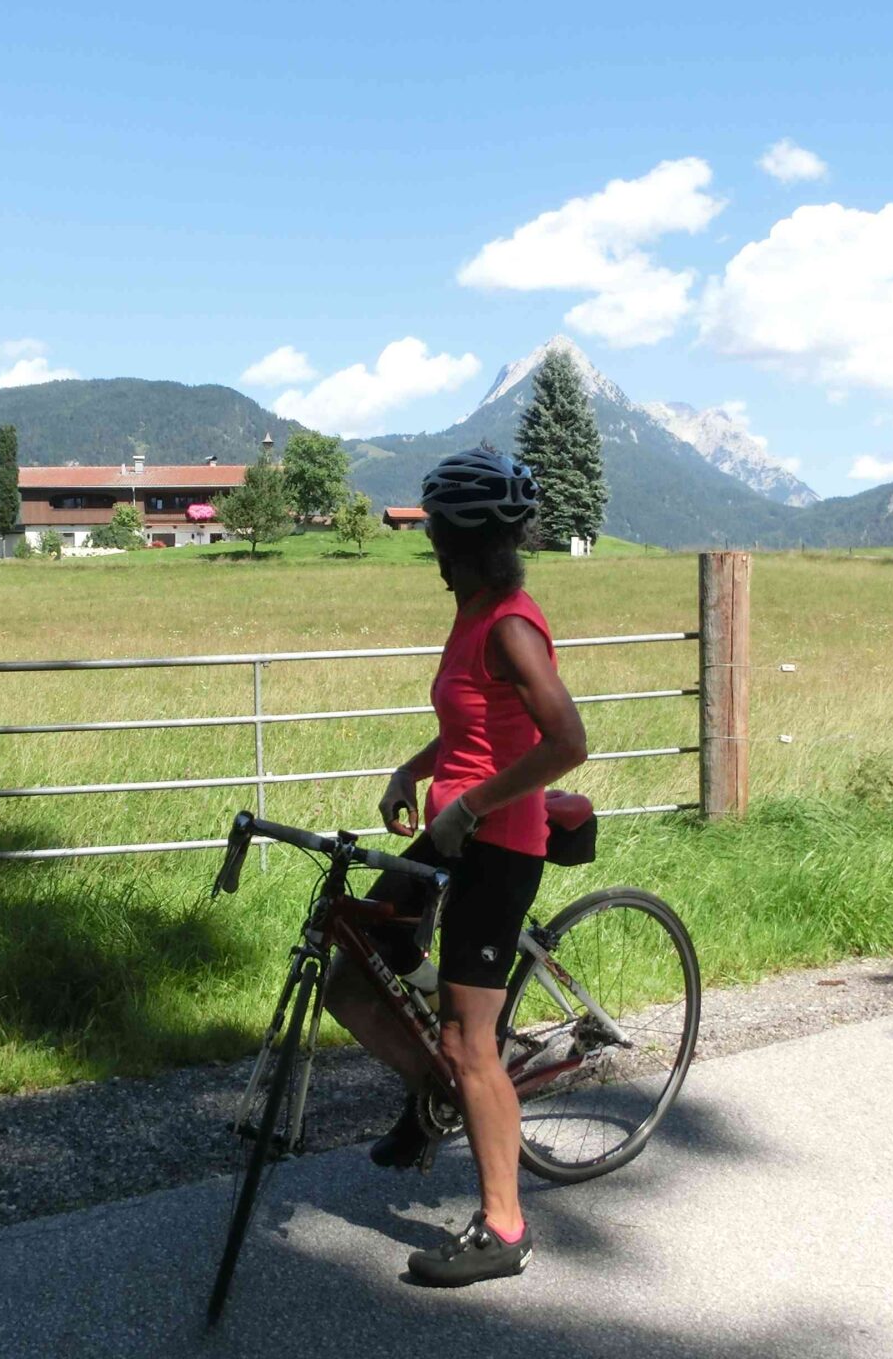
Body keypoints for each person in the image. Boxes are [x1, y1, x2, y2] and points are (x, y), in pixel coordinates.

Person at [323, 445, 589, 1288]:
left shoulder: (508, 623)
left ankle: (504, 1227)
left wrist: (471, 807)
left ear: (463, 542)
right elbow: (476, 726)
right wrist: (413, 769)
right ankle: (433, 1096)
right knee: (352, 978)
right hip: (451, 832)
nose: (431, 547)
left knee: (471, 1042)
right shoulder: (474, 613)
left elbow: (567, 742)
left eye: (437, 533)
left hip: (498, 844)